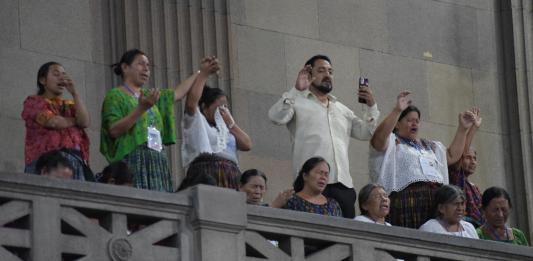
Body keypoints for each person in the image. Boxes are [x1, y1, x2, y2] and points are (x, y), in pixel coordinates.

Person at [269, 55, 380, 218]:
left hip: (343, 185)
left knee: (345, 239)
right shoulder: (296, 101)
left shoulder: (341, 109)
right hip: (310, 185)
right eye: (321, 71)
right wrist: (296, 91)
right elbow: (275, 117)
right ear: (308, 73)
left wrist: (371, 107)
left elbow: (366, 132)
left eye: (330, 71)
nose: (327, 75)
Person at [101, 49, 204, 191]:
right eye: (140, 64)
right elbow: (113, 130)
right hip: (134, 159)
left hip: (156, 159)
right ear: (125, 67)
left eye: (148, 65)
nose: (146, 69)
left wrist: (201, 72)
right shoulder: (116, 95)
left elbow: (177, 93)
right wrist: (141, 109)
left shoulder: (150, 96)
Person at [369, 91, 476, 228]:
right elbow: (377, 140)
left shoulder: (429, 145)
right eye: (409, 120)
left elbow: (450, 156)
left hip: (436, 203)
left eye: (417, 121)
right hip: (407, 203)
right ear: (397, 124)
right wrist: (397, 111)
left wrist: (463, 129)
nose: (414, 124)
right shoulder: (392, 142)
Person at [179, 57, 252, 190]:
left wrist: (231, 124)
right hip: (208, 171)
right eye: (219, 107)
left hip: (231, 174)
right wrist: (203, 74)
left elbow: (247, 144)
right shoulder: (197, 121)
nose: (222, 111)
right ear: (205, 108)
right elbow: (191, 104)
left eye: (225, 107)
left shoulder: (226, 128)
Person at [22, 62, 91, 180]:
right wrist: (75, 120)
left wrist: (74, 93)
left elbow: (84, 122)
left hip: (75, 162)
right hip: (47, 162)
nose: (62, 78)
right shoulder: (33, 102)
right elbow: (53, 122)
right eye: (56, 74)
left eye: (63, 74)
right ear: (43, 80)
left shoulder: (70, 104)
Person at [449, 108, 483, 227]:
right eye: (468, 158)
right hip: (461, 225)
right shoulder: (455, 177)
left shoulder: (476, 189)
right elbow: (461, 153)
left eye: (474, 158)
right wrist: (473, 128)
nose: (473, 162)